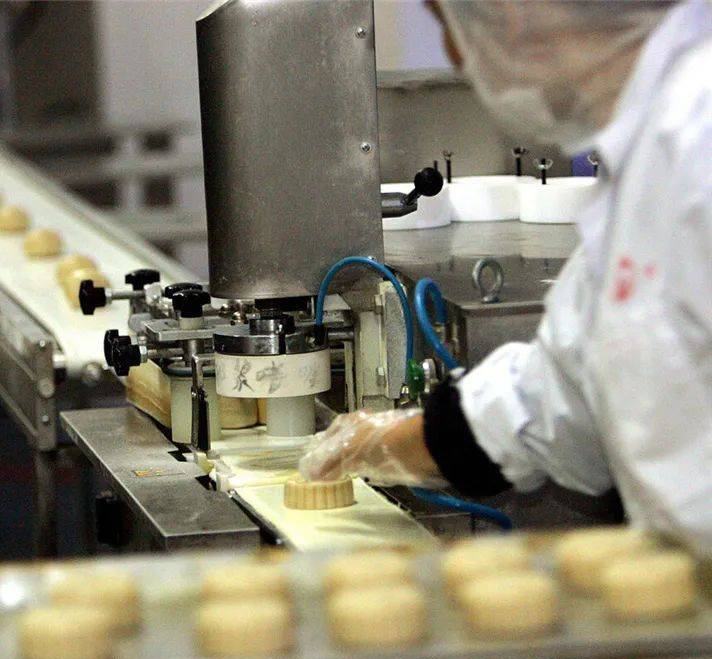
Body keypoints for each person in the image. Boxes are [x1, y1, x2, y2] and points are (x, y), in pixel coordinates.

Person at [300, 0, 712, 553]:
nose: (456, 55)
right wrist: (386, 442)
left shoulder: (697, 144)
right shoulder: (645, 160)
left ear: (510, 15)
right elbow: (561, 391)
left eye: (450, 24)